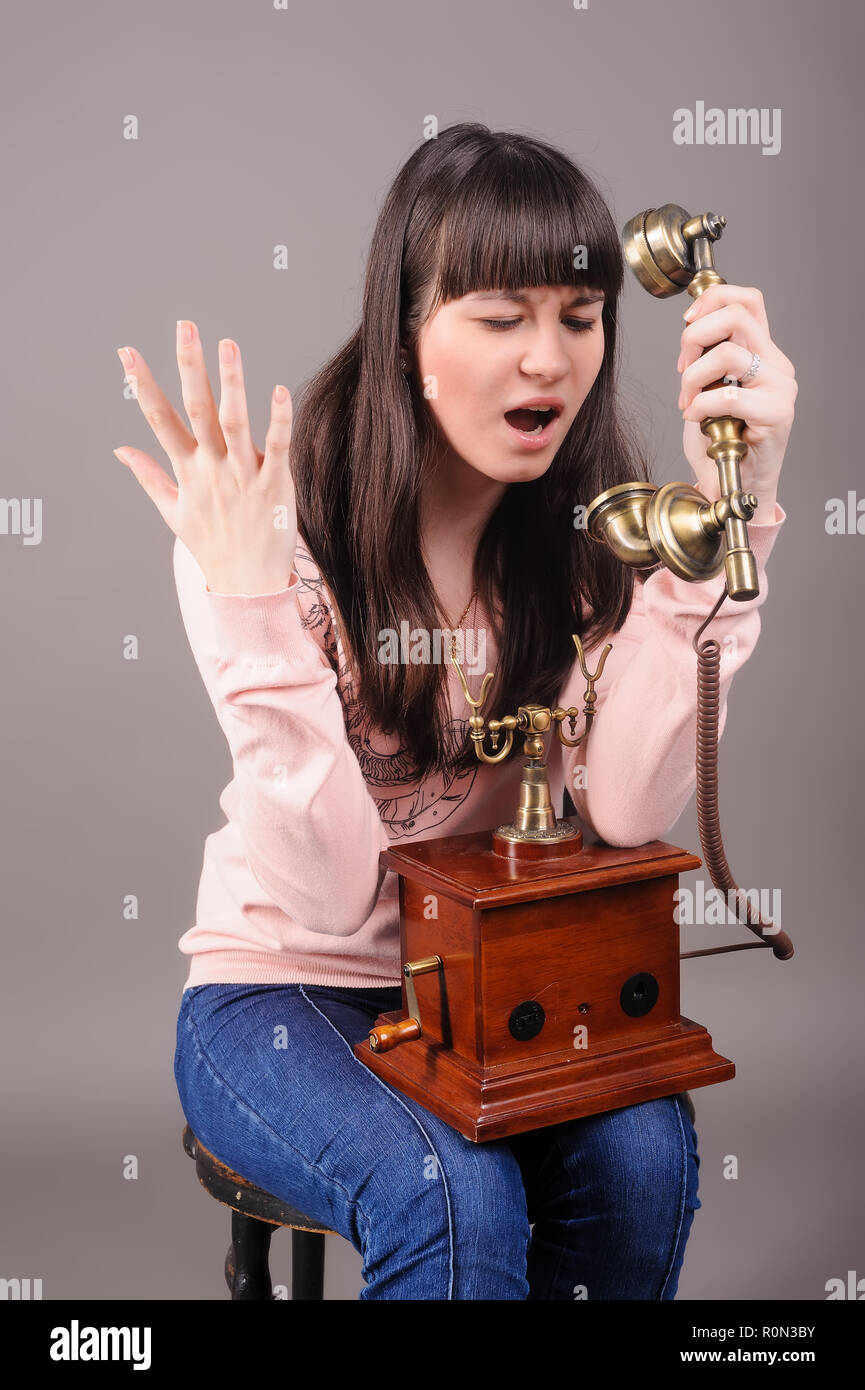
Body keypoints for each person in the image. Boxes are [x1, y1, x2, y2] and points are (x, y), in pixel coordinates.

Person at [113, 122, 795, 1299]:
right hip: (285, 989)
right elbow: (329, 894)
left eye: (579, 318)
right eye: (499, 318)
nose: (549, 362)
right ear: (408, 328)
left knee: (644, 1154)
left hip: (491, 984)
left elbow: (627, 809)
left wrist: (735, 510)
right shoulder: (272, 524)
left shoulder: (590, 534)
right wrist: (243, 595)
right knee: (448, 1186)